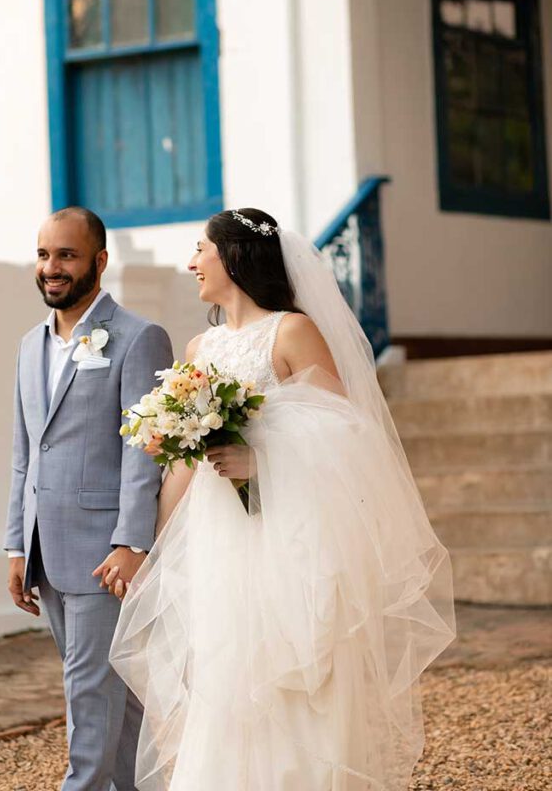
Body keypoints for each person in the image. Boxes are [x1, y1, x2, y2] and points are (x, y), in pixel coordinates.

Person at [109, 208, 456, 791]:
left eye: (200, 249)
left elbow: (350, 439)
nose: (191, 263)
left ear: (234, 256)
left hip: (289, 542)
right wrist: (150, 552)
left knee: (293, 678)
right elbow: (185, 467)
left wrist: (260, 461)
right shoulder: (199, 347)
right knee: (225, 675)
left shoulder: (292, 332)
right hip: (220, 544)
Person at [4, 207, 173, 791]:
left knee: (88, 690)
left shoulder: (139, 337)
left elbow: (143, 451)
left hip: (105, 554)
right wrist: (16, 546)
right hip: (45, 548)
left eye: (67, 256)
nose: (52, 268)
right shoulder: (29, 345)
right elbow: (25, 453)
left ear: (99, 261)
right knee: (112, 692)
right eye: (44, 255)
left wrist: (131, 542)